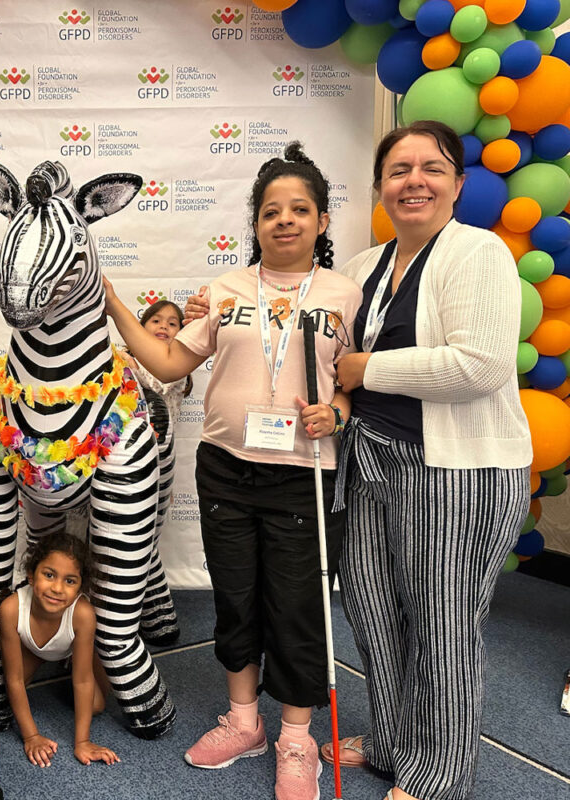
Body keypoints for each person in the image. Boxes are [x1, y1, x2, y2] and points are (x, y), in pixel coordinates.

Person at [105, 142, 362, 800]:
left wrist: (335, 412)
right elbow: (169, 363)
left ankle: (296, 738)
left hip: (302, 473)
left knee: (298, 608)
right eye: (271, 211)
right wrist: (113, 305)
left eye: (299, 209)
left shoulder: (346, 293)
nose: (284, 220)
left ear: (322, 220)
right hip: (226, 469)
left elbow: (355, 381)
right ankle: (244, 722)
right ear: (255, 223)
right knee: (237, 599)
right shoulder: (223, 291)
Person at [326, 121, 531, 800]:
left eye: (432, 168)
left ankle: (439, 774)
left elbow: (480, 366)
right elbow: (326, 354)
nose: (414, 181)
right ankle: (392, 741)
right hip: (369, 463)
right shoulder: (362, 267)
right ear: (380, 187)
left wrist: (368, 369)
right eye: (399, 170)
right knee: (372, 609)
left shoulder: (481, 253)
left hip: (457, 474)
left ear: (458, 184)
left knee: (442, 625)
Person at [0, 532, 119, 769]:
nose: (57, 588)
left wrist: (82, 742)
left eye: (70, 581)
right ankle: (53, 659)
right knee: (11, 689)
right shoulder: (11, 609)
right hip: (34, 651)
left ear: (80, 587)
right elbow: (14, 679)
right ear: (31, 574)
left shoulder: (83, 615)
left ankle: (81, 659)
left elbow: (83, 681)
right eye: (49, 575)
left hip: (75, 650)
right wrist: (31, 736)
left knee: (96, 705)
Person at [125, 300, 193, 424]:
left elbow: (155, 385)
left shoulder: (179, 364)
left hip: (159, 433)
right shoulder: (127, 355)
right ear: (141, 328)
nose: (163, 326)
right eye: (156, 321)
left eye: (172, 324)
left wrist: (128, 361)